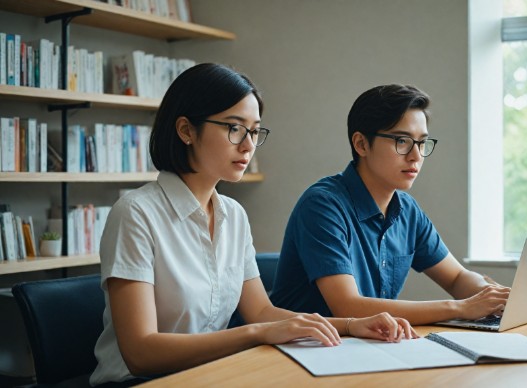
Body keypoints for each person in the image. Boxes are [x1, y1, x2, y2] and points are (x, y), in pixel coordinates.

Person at [90, 65, 416, 386]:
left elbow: (260, 311)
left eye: (255, 131)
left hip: (209, 375)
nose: (247, 145)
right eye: (234, 128)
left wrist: (350, 325)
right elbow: (141, 353)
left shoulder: (233, 215)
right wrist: (256, 333)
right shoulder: (135, 213)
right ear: (186, 130)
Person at [269, 84, 510, 325]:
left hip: (363, 348)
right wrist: (460, 308)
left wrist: (494, 296)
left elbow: (457, 277)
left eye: (422, 143)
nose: (416, 156)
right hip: (296, 350)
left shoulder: (407, 210)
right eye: (402, 141)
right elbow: (347, 306)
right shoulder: (322, 205)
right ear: (361, 144)